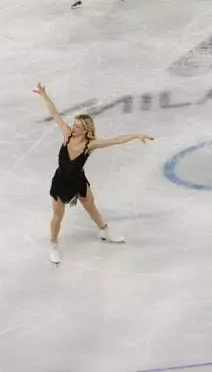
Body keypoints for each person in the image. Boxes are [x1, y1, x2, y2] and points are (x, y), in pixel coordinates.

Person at [33, 83, 154, 265]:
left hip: (79, 181)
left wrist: (137, 135)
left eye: (78, 127)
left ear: (86, 130)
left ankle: (104, 231)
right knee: (57, 216)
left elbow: (116, 140)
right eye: (74, 125)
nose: (74, 128)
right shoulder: (67, 135)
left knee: (90, 205)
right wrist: (44, 95)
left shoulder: (90, 145)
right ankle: (54, 245)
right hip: (60, 182)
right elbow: (55, 114)